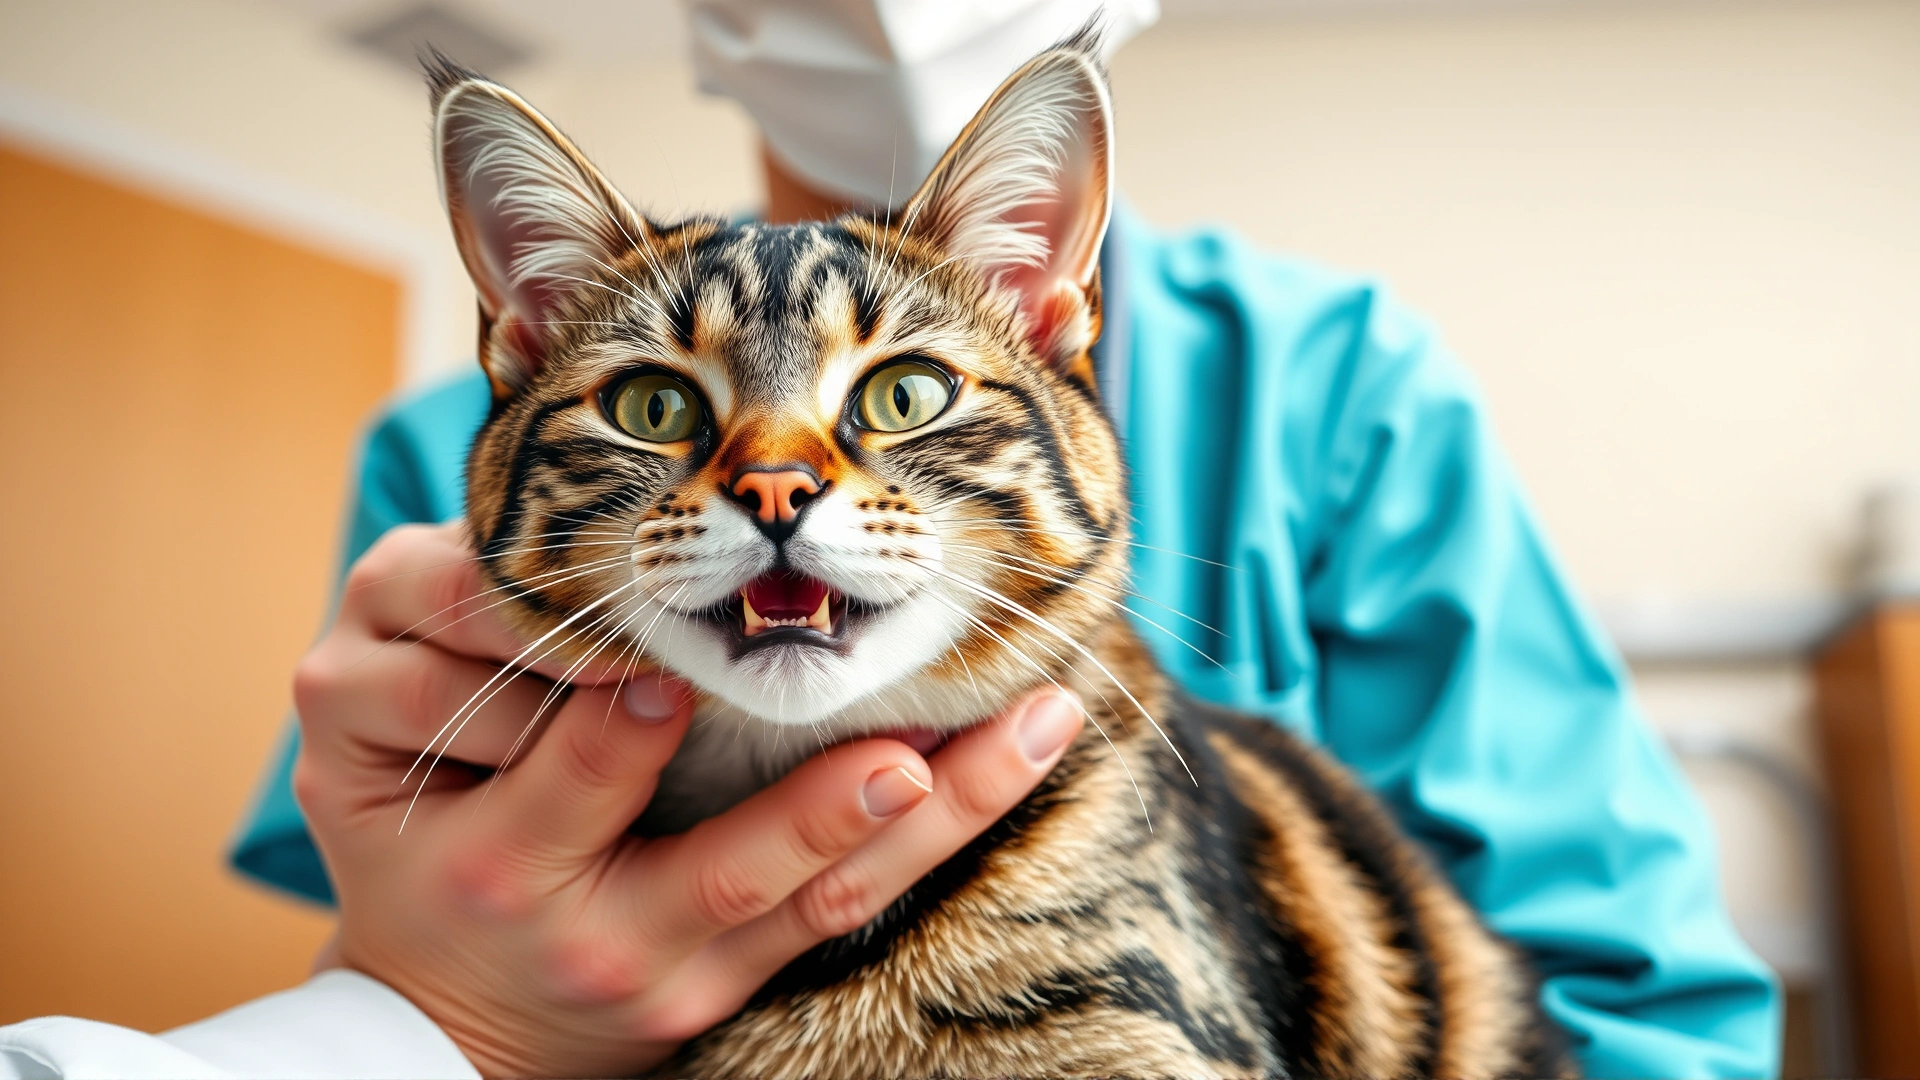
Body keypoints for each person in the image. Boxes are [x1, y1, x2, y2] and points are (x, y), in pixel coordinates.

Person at [2, 0, 1781, 1076]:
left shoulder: (1331, 378)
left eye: (903, 400)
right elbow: (405, 991)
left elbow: (1650, 1015)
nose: (773, 484)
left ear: (1060, 321)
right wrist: (424, 1006)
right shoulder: (443, 466)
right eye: (657, 410)